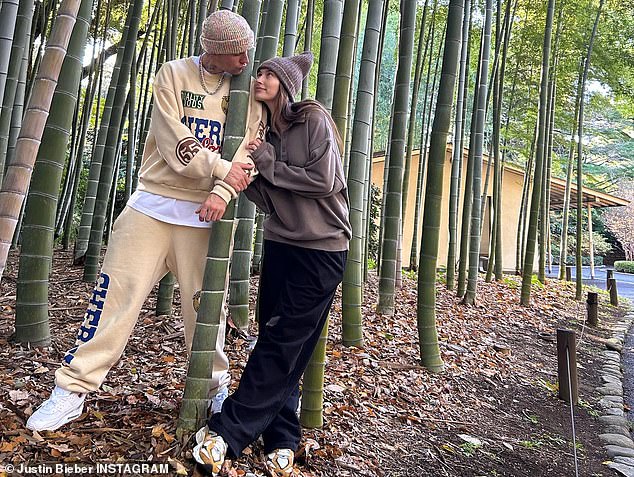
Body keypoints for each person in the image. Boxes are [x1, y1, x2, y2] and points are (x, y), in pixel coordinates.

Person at [26, 10, 264, 432]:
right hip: (152, 206)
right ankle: (72, 389)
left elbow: (249, 153)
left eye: (247, 51)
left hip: (208, 217)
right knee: (113, 298)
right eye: (236, 53)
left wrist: (222, 189)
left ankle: (213, 389)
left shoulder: (247, 89)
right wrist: (217, 167)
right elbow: (173, 137)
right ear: (213, 51)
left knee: (206, 308)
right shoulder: (172, 74)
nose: (246, 60)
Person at [192, 52, 352, 477]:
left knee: (282, 340)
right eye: (257, 72)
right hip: (281, 244)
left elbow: (326, 181)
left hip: (322, 250)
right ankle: (283, 437)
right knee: (283, 342)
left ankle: (228, 433)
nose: (259, 78)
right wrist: (244, 176)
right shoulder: (261, 135)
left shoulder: (311, 119)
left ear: (284, 84)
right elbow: (268, 197)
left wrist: (268, 165)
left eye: (267, 74)